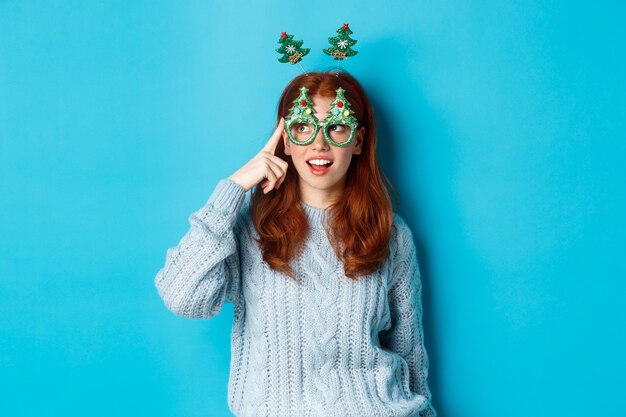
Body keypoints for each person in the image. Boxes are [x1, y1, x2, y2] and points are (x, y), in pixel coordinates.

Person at [154, 70, 437, 417]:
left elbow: (409, 357)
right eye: (303, 127)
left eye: (336, 126)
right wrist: (235, 186)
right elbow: (182, 297)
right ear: (285, 140)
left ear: (359, 141)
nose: (319, 143)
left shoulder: (392, 235)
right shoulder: (248, 230)